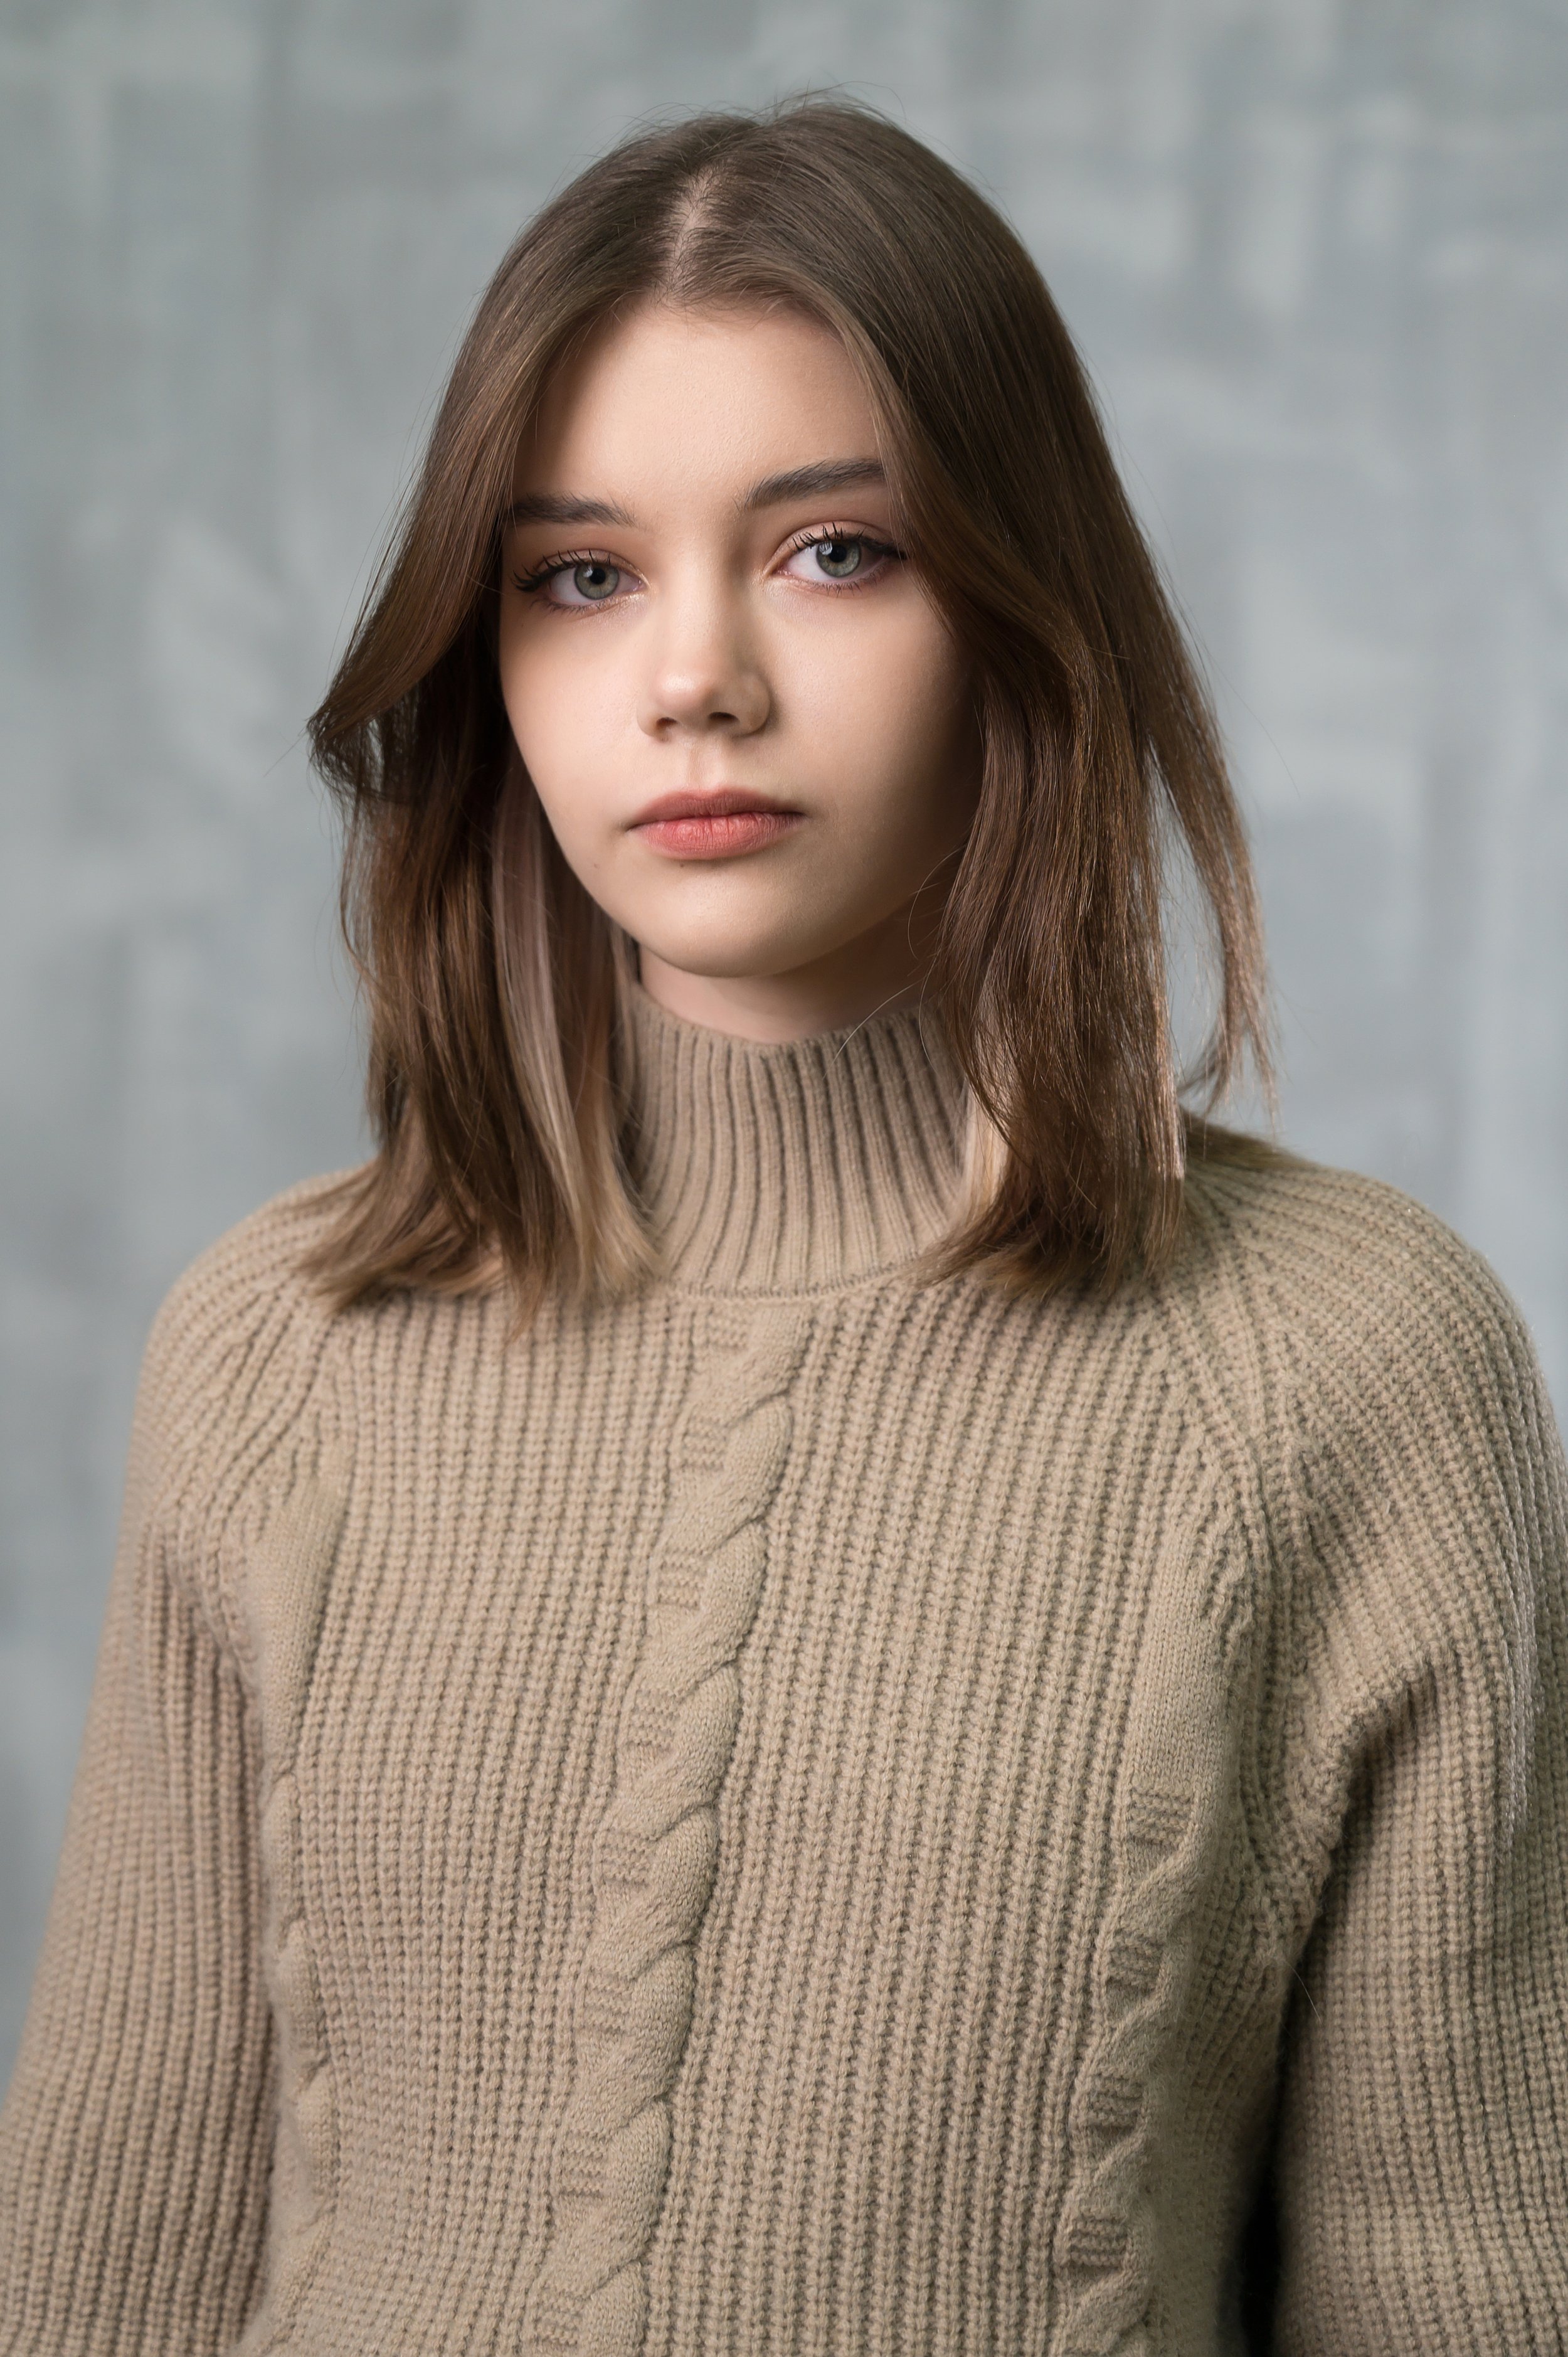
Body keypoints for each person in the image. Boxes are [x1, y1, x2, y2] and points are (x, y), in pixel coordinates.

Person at [1, 98, 1564, 2357]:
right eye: (581, 573)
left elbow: (1464, 2290)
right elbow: (109, 2259)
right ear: (487, 647)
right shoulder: (273, 1349)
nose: (690, 675)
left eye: (834, 551)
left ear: (1024, 605)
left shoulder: (1343, 1367)